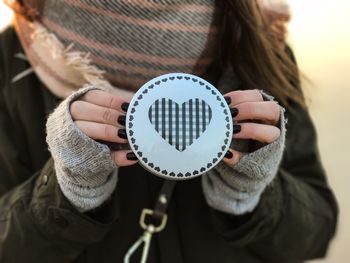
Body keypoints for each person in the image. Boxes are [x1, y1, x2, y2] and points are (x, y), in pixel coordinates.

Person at [0, 1, 338, 262]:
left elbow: (316, 233)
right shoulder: (14, 54)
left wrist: (250, 195)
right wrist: (69, 193)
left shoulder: (257, 39)